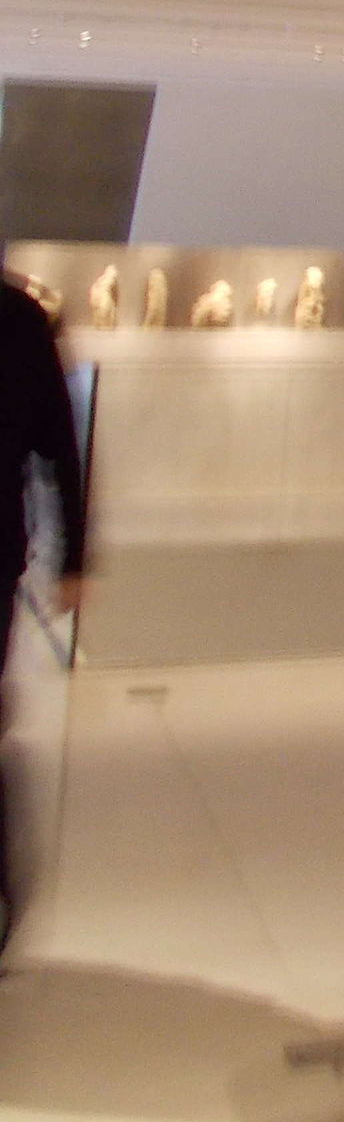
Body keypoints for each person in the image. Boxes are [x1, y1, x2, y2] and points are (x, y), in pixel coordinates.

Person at [1, 270, 86, 956]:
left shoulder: (18, 318)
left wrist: (75, 556)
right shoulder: (20, 316)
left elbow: (59, 443)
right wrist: (74, 556)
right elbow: (60, 445)